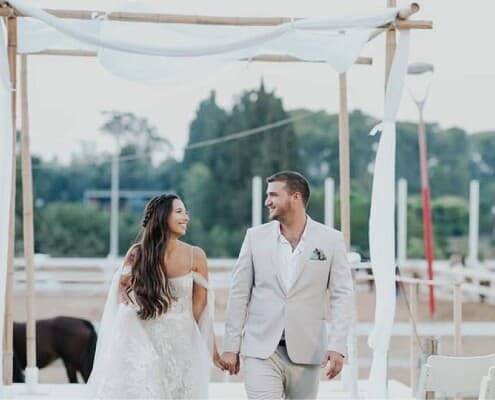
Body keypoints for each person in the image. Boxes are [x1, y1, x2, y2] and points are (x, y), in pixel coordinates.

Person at [221, 171, 354, 399]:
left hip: (307, 351)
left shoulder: (331, 240)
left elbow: (342, 296)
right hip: (261, 351)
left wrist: (338, 346)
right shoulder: (254, 238)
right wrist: (230, 347)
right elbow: (239, 294)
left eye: (273, 195)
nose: (267, 201)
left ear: (296, 197)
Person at [87, 194, 224, 399]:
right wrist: (128, 307)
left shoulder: (195, 256)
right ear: (163, 216)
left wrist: (213, 352)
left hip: (182, 346)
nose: (186, 217)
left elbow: (200, 309)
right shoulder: (137, 254)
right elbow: (121, 289)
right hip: (145, 343)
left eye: (186, 212)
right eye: (179, 212)